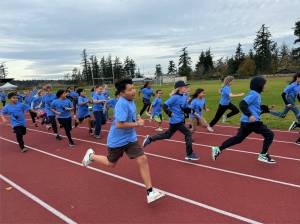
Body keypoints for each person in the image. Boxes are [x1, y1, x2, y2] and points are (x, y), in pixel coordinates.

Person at [82, 78, 165, 204]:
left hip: (130, 138)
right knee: (111, 164)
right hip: (117, 141)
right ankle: (91, 156)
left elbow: (131, 116)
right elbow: (119, 125)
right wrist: (137, 123)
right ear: (121, 93)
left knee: (142, 159)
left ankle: (150, 192)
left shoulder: (131, 101)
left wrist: (137, 117)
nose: (133, 91)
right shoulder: (121, 104)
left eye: (133, 88)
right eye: (130, 89)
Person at [211, 76, 276, 164]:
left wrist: (267, 108)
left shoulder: (255, 94)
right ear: (259, 85)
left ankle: (218, 149)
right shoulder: (254, 95)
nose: (265, 86)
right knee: (270, 135)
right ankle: (263, 155)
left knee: (238, 139)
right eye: (264, 84)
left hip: (246, 122)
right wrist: (250, 115)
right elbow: (242, 104)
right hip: (252, 122)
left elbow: (256, 107)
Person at [142, 80, 199, 161]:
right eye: (185, 87)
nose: (187, 88)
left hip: (179, 120)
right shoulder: (174, 97)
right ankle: (189, 154)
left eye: (187, 87)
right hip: (176, 120)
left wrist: (193, 111)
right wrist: (169, 113)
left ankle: (150, 138)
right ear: (179, 88)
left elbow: (185, 108)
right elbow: (164, 105)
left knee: (167, 135)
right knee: (188, 133)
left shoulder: (184, 96)